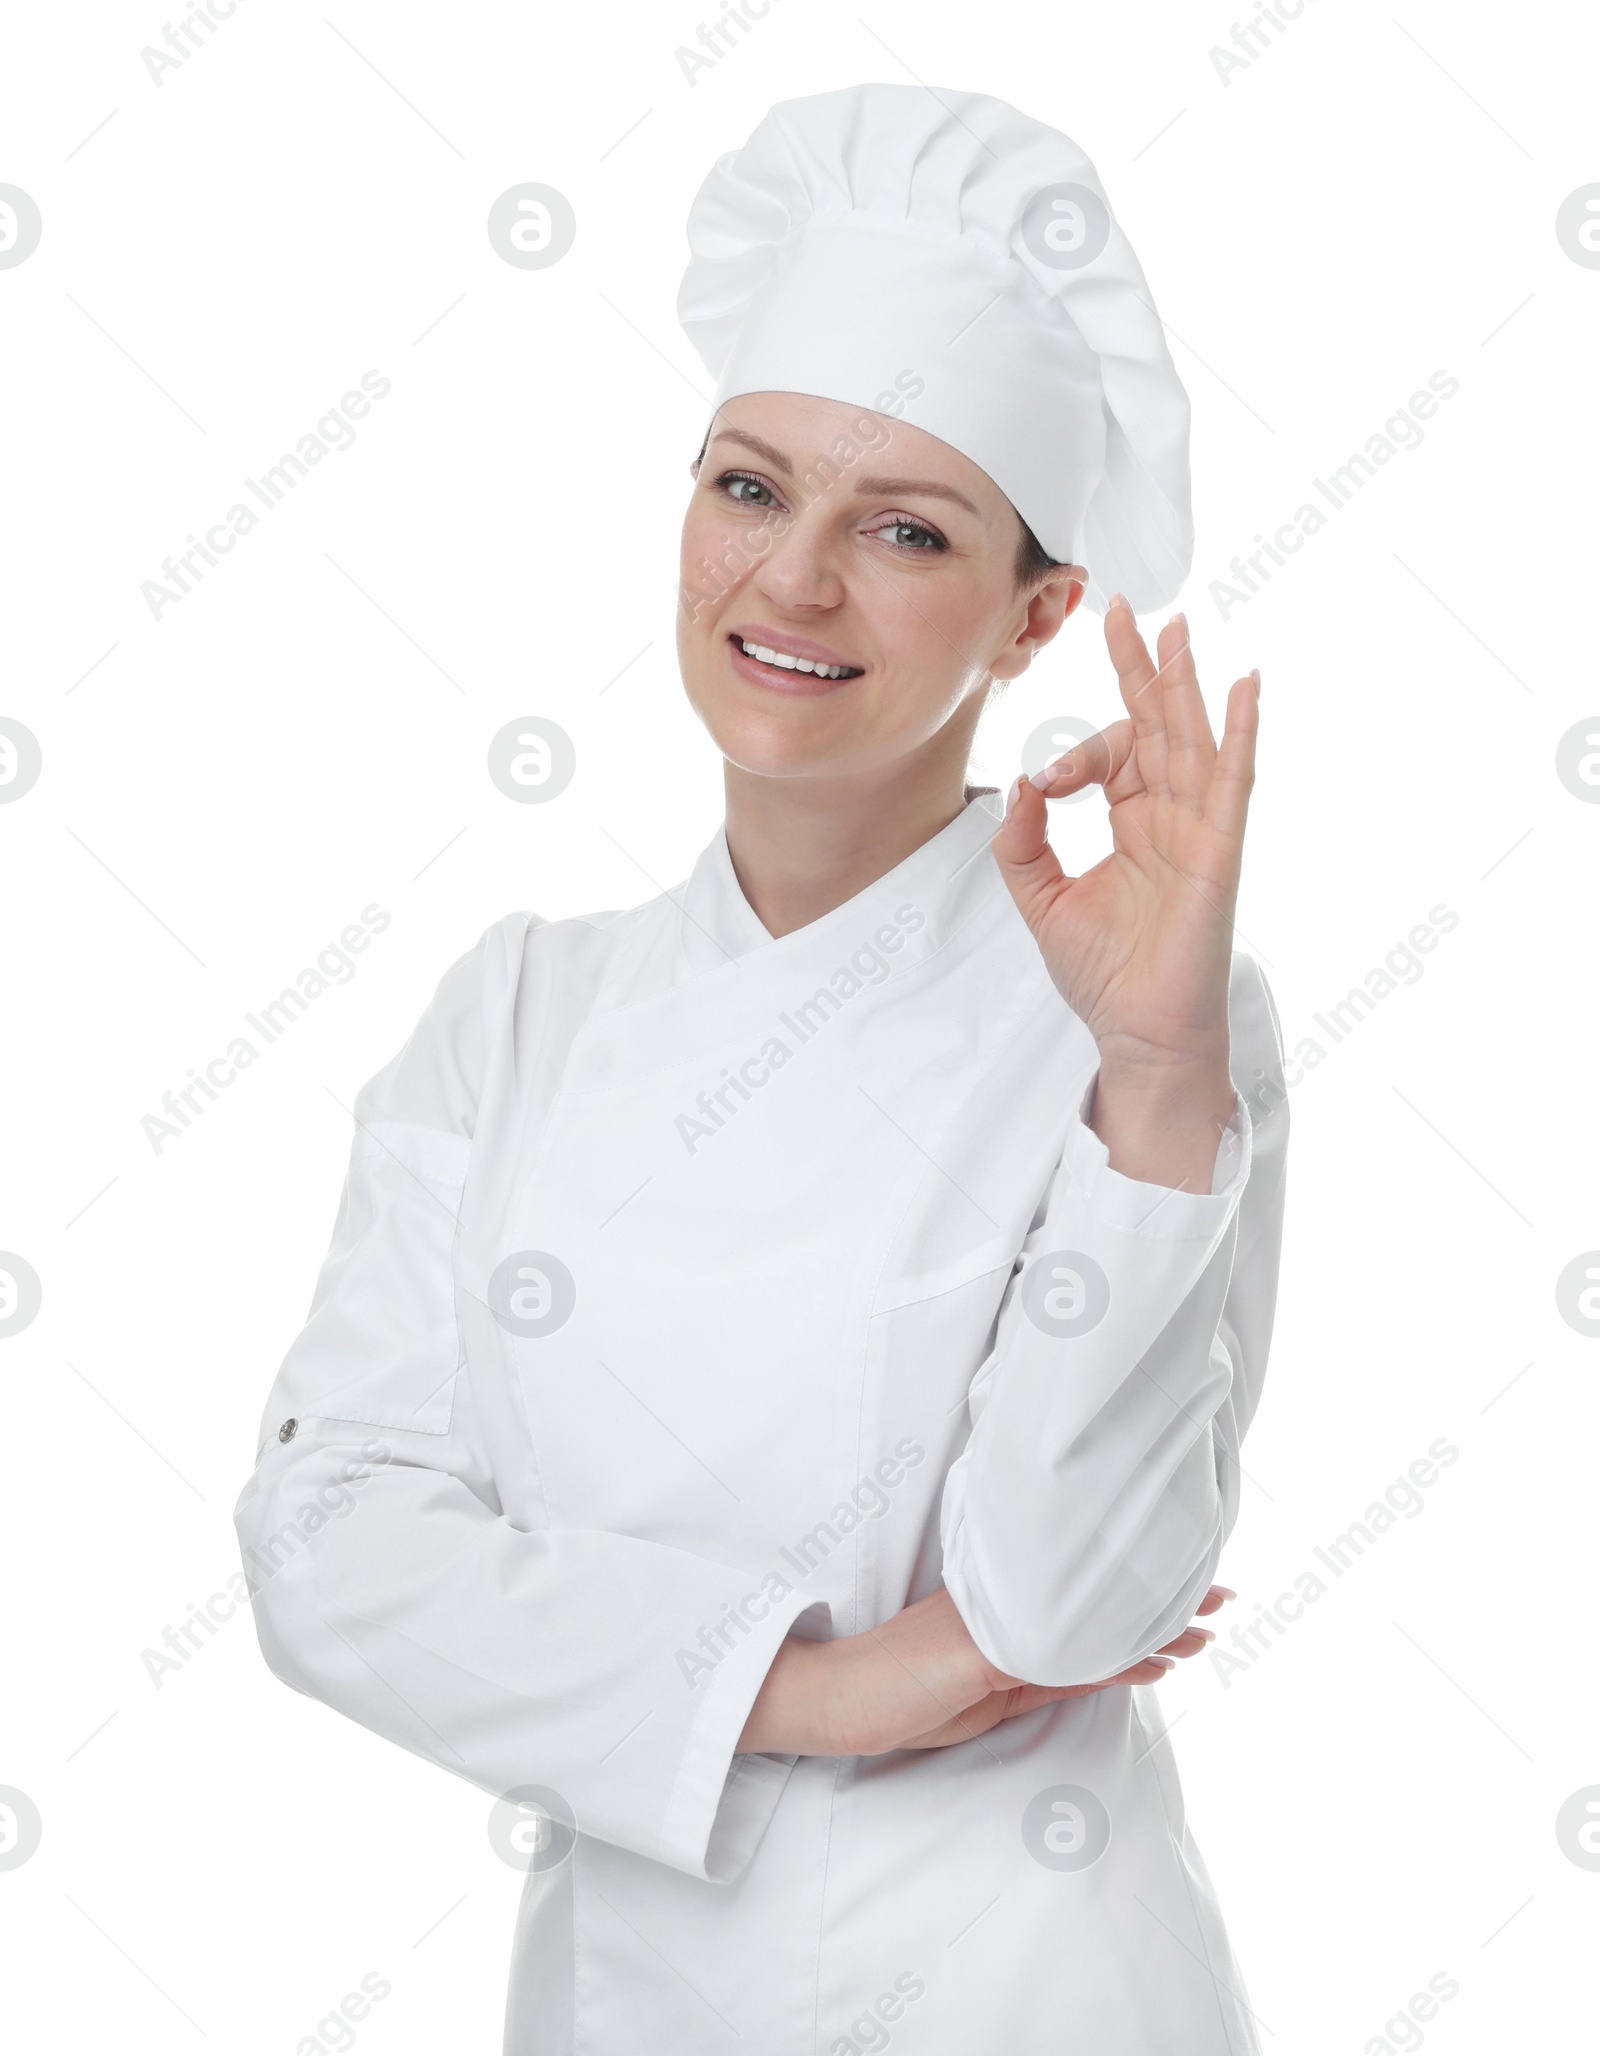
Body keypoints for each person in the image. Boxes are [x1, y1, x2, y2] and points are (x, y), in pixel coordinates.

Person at [235, 83, 1287, 2054]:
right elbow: (323, 1545)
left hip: (1030, 1991)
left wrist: (1149, 1072)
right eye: (748, 486)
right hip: (621, 1989)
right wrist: (813, 1688)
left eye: (901, 528)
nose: (791, 583)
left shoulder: (1151, 1009)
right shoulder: (520, 1008)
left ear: (1037, 610)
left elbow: (1062, 1613)